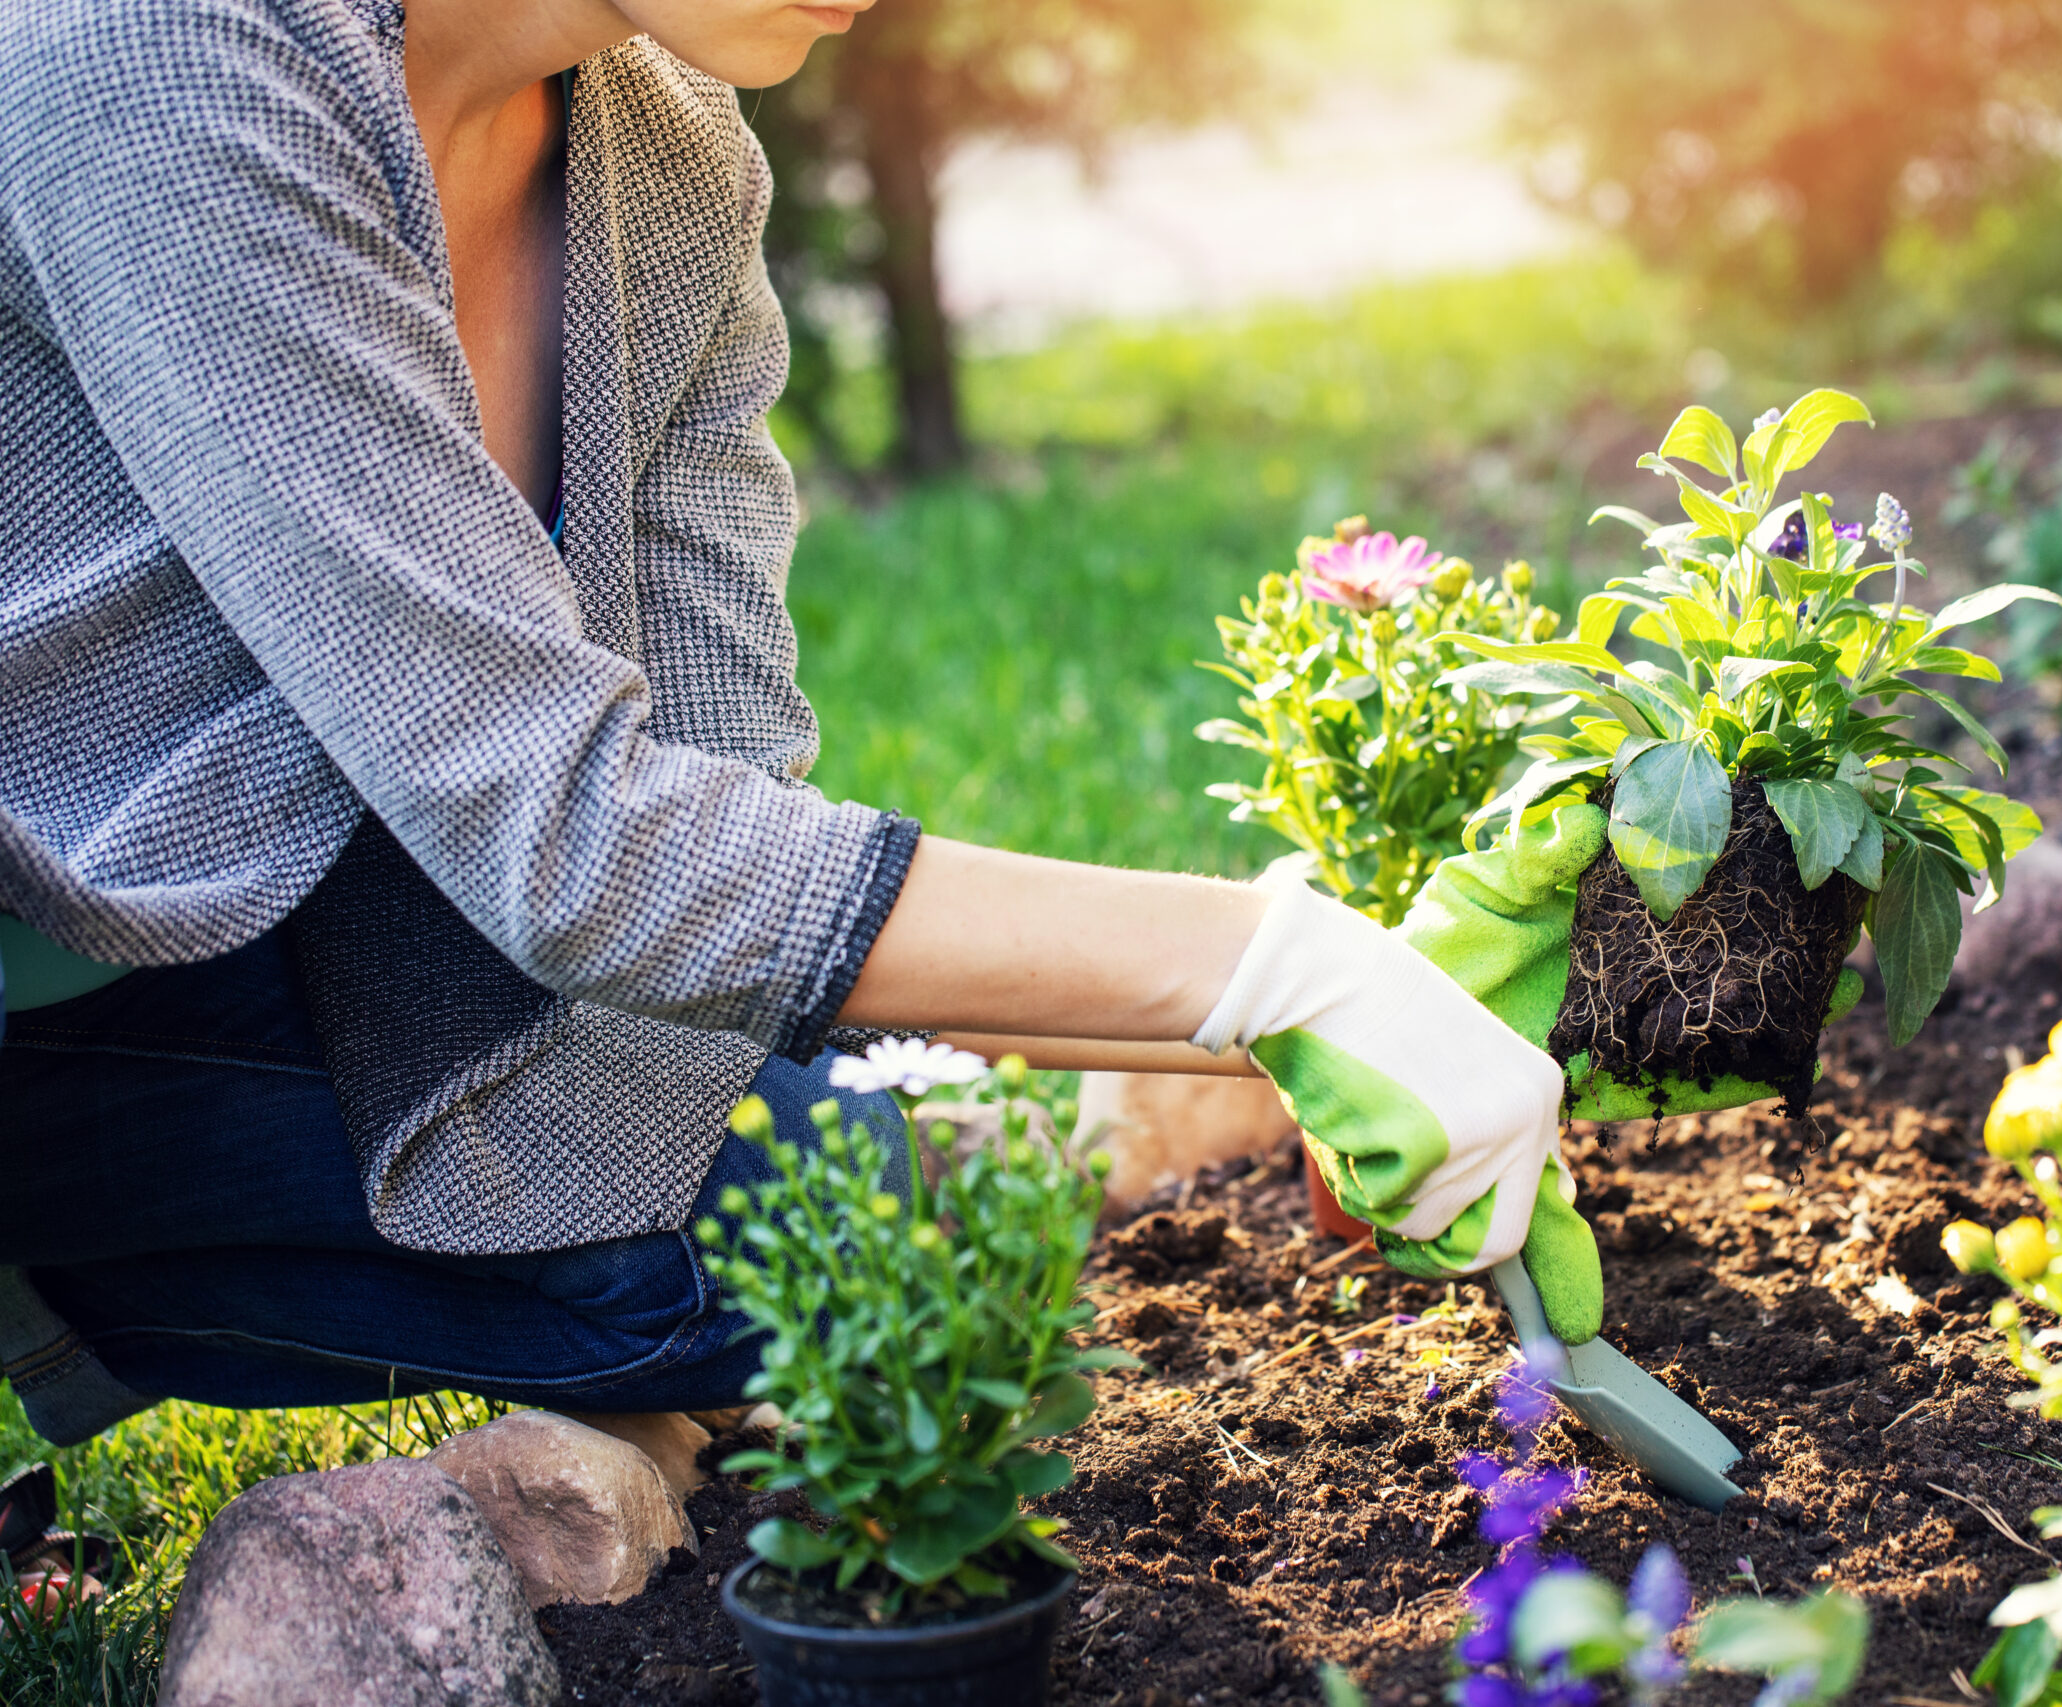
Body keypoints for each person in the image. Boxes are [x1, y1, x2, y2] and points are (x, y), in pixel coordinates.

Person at [0, 0, 1570, 1459]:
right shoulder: (153, 55)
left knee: (878, 1226)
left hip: (319, 915)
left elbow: (716, 813)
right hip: (56, 953)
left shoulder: (666, 148)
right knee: (738, 1270)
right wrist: (1266, 961)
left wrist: (1321, 1009)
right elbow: (577, 843)